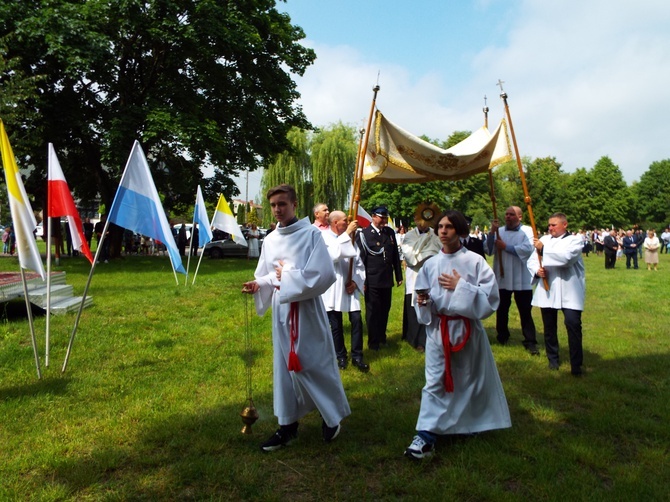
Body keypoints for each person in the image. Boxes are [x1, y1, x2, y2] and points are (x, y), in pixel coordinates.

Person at [242, 184, 350, 452]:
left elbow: (323, 274)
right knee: (284, 369)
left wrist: (287, 275)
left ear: (294, 204)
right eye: (274, 205)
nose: (278, 209)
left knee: (313, 363)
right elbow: (269, 274)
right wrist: (260, 284)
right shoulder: (270, 240)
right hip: (282, 309)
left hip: (305, 310)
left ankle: (332, 416)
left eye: (282, 204)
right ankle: (287, 425)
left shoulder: (311, 235)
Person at [404, 210, 510, 460]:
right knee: (434, 382)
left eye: (449, 227)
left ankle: (466, 424)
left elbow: (491, 298)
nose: (442, 231)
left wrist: (461, 287)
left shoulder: (474, 261)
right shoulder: (431, 263)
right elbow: (424, 297)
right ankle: (426, 435)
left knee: (467, 380)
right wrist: (423, 301)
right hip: (438, 330)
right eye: (440, 226)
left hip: (467, 329)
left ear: (460, 230)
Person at [527, 213, 585, 376]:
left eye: (554, 225)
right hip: (549, 289)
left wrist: (543, 250)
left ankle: (576, 365)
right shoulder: (544, 240)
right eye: (549, 225)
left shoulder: (575, 240)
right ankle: (553, 360)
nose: (550, 228)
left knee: (573, 324)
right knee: (549, 327)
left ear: (564, 224)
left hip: (569, 289)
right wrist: (537, 271)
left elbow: (566, 258)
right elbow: (532, 260)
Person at [486, 206, 540, 355]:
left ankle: (530, 340)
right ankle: (502, 336)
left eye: (512, 214)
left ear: (520, 217)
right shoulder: (499, 231)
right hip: (502, 276)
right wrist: (491, 233)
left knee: (525, 311)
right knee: (502, 308)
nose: (508, 217)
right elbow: (489, 250)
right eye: (507, 214)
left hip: (521, 276)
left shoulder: (527, 231)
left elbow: (527, 249)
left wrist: (506, 247)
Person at [321, 210, 369, 372]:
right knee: (336, 323)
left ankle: (357, 355)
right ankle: (340, 355)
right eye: (345, 221)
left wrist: (355, 282)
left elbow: (359, 263)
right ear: (335, 223)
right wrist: (347, 234)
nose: (348, 224)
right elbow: (331, 255)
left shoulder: (352, 239)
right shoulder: (324, 237)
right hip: (334, 286)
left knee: (356, 320)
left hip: (349, 285)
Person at [356, 205, 403, 350]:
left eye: (385, 218)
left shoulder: (389, 232)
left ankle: (382, 337)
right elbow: (361, 260)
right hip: (372, 279)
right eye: (381, 218)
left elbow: (394, 254)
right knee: (373, 311)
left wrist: (398, 275)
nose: (384, 220)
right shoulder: (364, 234)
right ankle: (373, 341)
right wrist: (362, 280)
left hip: (386, 278)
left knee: (385, 308)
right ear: (373, 217)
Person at [401, 213, 442, 352]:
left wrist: (423, 252)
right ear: (415, 220)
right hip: (415, 274)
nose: (422, 223)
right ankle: (414, 338)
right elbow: (411, 257)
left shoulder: (436, 235)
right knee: (414, 306)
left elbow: (438, 253)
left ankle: (426, 339)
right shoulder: (409, 236)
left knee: (428, 305)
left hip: (431, 275)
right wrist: (426, 250)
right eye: (419, 220)